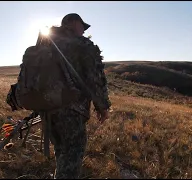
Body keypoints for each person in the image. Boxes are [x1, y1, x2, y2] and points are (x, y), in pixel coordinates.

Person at [36, 13, 111, 179]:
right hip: (71, 111)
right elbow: (95, 79)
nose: (83, 31)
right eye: (82, 26)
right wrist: (103, 107)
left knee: (62, 151)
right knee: (72, 156)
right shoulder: (83, 45)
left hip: (48, 111)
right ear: (74, 23)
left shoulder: (47, 44)